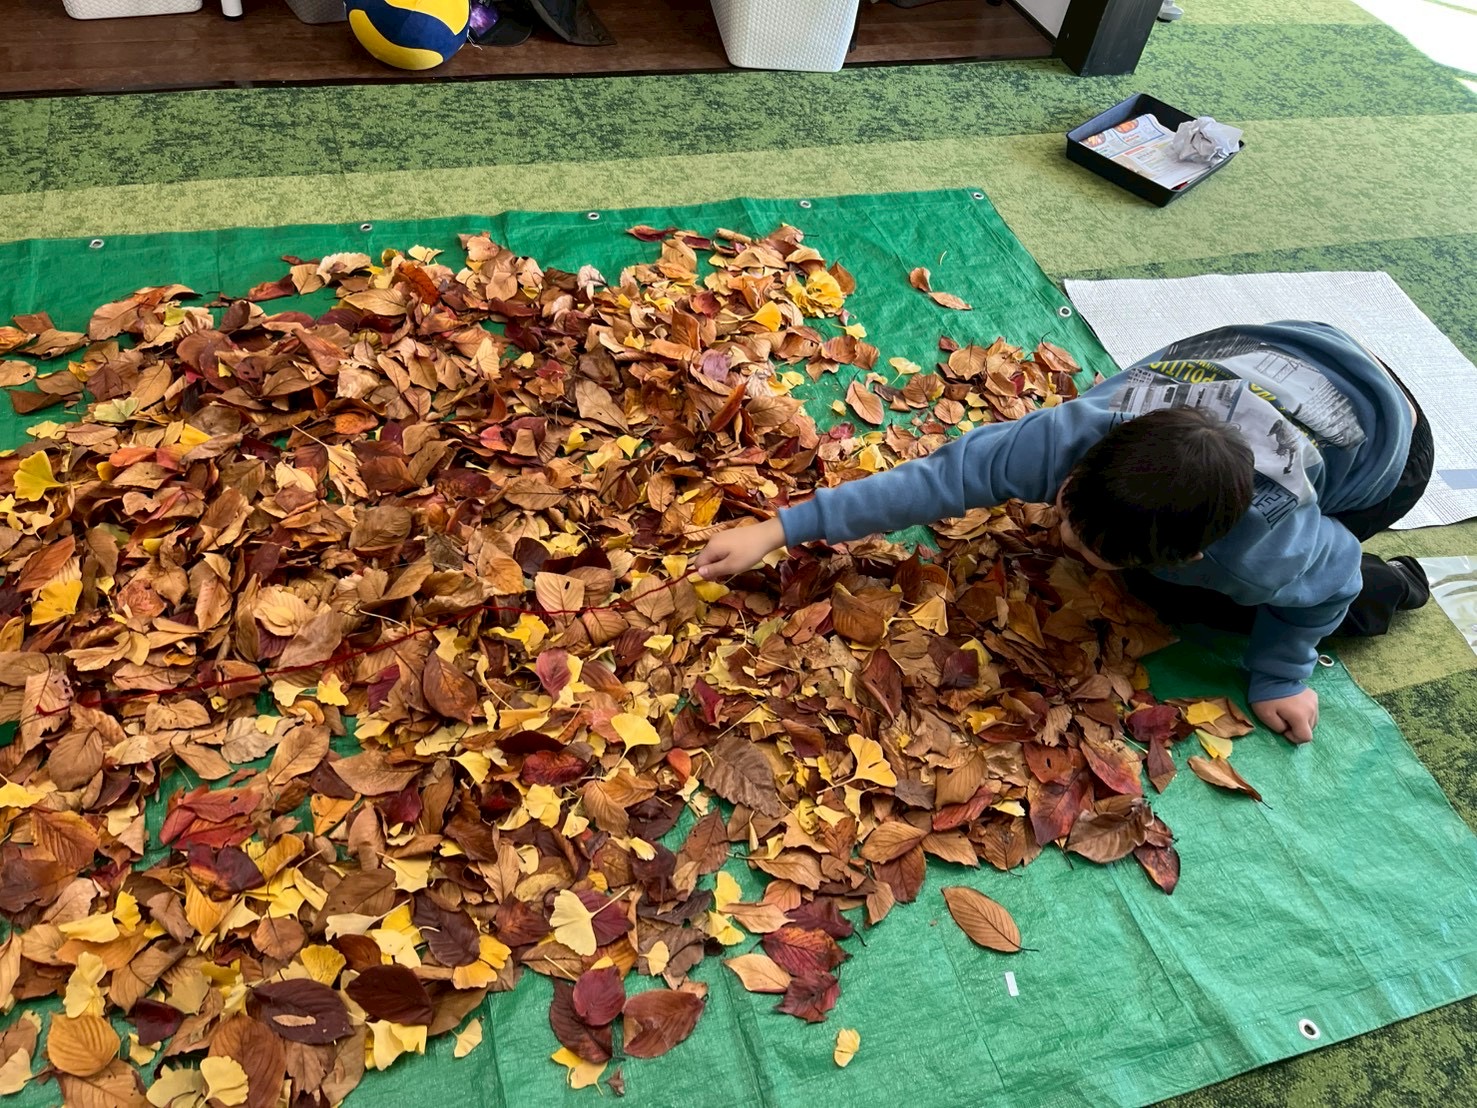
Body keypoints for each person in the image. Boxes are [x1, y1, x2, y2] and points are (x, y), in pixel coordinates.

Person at [695, 321, 1433, 744]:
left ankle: (1397, 585)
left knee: (1192, 606)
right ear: (1081, 464)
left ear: (1192, 553)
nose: (1065, 542)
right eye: (1068, 514)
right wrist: (780, 528)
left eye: (1094, 550)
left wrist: (1280, 675)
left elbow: (1329, 578)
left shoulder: (1263, 549)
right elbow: (935, 481)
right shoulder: (1069, 435)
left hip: (1384, 442)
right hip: (1278, 345)